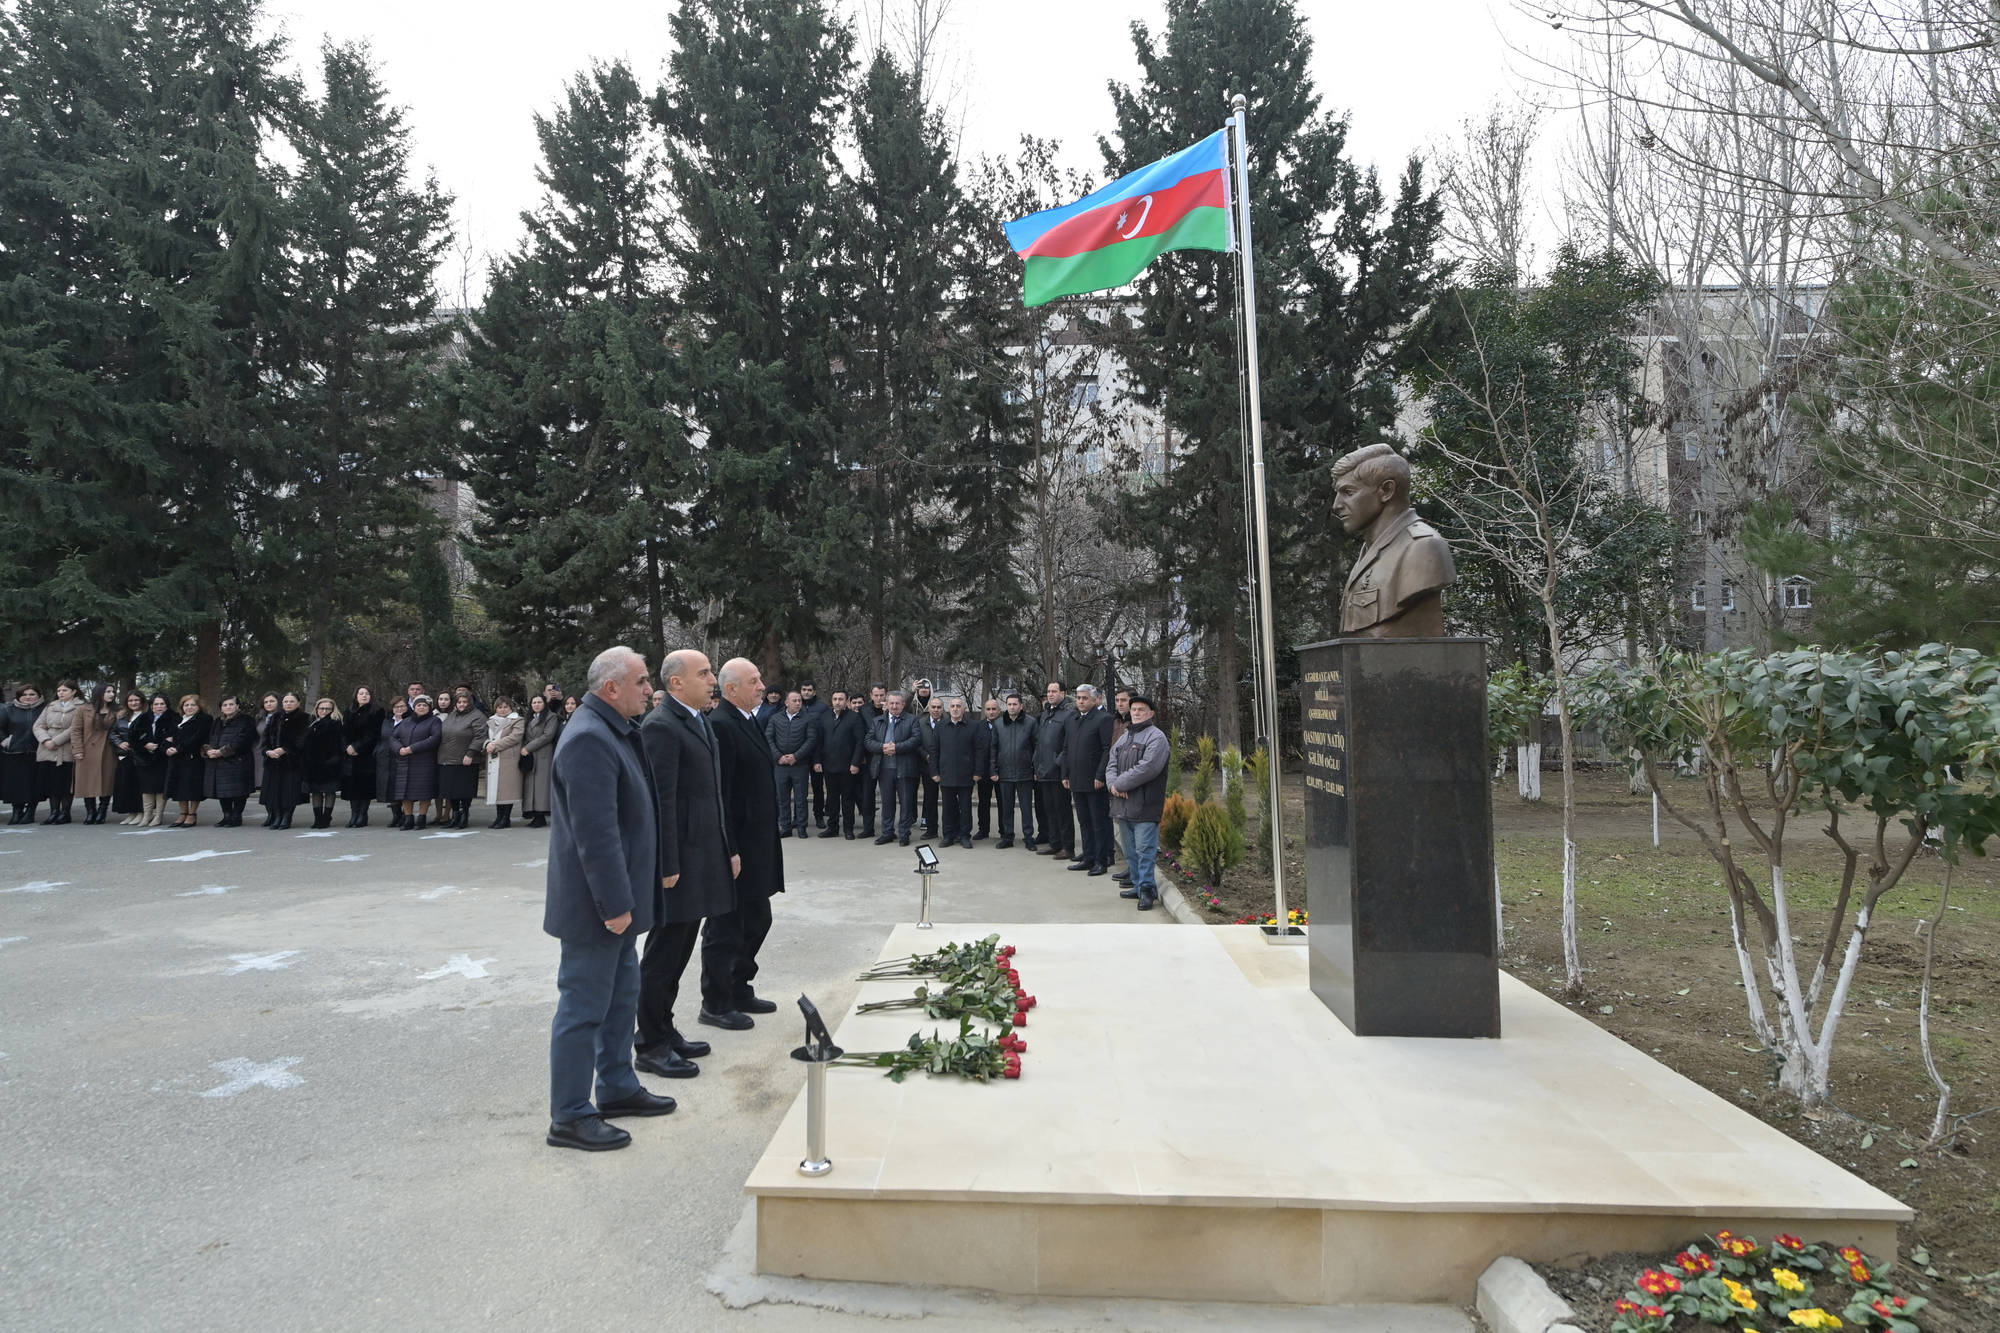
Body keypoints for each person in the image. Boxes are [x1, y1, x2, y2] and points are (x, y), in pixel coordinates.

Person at [542, 645, 675, 1151]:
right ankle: (570, 1115)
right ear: (611, 687)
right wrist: (616, 905)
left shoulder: (614, 729)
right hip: (596, 908)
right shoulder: (588, 739)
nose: (649, 689)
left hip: (619, 903)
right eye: (641, 681)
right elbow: (595, 836)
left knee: (620, 999)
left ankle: (617, 1086)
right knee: (583, 1008)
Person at [635, 649, 737, 1081]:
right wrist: (667, 863)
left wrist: (727, 847)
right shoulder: (661, 725)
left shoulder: (697, 719)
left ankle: (665, 1028)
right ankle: (650, 1043)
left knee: (680, 949)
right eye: (704, 673)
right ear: (676, 682)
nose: (712, 680)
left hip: (702, 854)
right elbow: (661, 801)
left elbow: (710, 795)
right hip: (679, 861)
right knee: (664, 953)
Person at [707, 657, 785, 1030]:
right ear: (731, 689)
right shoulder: (721, 724)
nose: (762, 685)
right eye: (753, 680)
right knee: (726, 926)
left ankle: (739, 987)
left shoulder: (747, 719)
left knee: (757, 918)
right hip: (738, 844)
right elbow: (721, 794)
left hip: (758, 841)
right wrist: (730, 848)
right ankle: (715, 1002)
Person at [1105, 694, 1170, 910]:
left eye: (1141, 710)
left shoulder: (1157, 737)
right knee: (1131, 851)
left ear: (1151, 714)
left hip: (1145, 806)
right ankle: (1137, 885)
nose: (1136, 713)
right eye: (1134, 709)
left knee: (1144, 851)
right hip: (1123, 806)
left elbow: (1148, 767)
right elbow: (1111, 762)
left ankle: (1147, 890)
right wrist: (1113, 785)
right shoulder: (1125, 736)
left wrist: (1120, 784)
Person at [1064, 684, 1114, 877]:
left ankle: (1101, 861)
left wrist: (1100, 775)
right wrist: (1065, 774)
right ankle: (1088, 857)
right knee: (1084, 821)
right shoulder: (1073, 719)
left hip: (1094, 781)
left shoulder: (1103, 719)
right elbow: (1066, 748)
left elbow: (1107, 749)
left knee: (1098, 822)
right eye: (1078, 698)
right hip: (1076, 779)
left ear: (1094, 700)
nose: (1081, 701)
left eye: (1085, 698)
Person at [865, 689, 922, 845]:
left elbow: (916, 739)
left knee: (906, 803)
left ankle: (904, 834)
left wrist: (896, 747)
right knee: (887, 803)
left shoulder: (912, 720)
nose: (894, 706)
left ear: (903, 704)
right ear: (887, 704)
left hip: (905, 768)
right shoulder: (877, 721)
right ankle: (887, 833)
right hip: (884, 769)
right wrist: (882, 747)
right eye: (891, 703)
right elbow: (868, 741)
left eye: (897, 703)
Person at [764, 689, 817, 839]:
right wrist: (778, 757)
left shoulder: (808, 719)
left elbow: (811, 740)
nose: (798, 703)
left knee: (801, 799)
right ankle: (785, 827)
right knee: (782, 799)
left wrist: (796, 756)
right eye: (794, 700)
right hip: (780, 766)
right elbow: (769, 738)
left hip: (799, 765)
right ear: (786, 702)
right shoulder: (775, 718)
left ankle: (801, 827)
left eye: (799, 700)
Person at [32, 680, 83, 824]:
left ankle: (65, 812)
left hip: (67, 746)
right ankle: (54, 811)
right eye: (59, 690)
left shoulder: (81, 707)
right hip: (48, 748)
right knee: (51, 782)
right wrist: (46, 740)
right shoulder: (51, 706)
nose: (61, 693)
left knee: (65, 782)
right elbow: (38, 726)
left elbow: (76, 727)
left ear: (74, 691)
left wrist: (56, 741)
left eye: (64, 690)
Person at [1032, 681, 1073, 860]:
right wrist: (1037, 764)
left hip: (1058, 772)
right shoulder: (1045, 714)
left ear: (1063, 693)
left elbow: (1068, 744)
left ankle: (1067, 847)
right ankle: (1054, 843)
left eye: (1054, 691)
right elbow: (1040, 743)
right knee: (1049, 810)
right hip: (1043, 771)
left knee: (1062, 811)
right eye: (1048, 691)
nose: (1050, 694)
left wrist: (1057, 763)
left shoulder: (1068, 714)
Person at [815, 690, 864, 839]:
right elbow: (819, 741)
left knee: (847, 798)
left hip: (848, 766)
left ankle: (848, 829)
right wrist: (817, 761)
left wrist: (855, 763)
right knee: (832, 798)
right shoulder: (824, 717)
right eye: (835, 699)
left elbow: (859, 742)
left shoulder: (854, 718)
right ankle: (832, 827)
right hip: (828, 764)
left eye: (841, 699)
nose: (837, 702)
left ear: (846, 701)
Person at [201, 696, 257, 826]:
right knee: (223, 791)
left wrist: (222, 752)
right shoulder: (217, 722)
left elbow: (243, 739)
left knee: (239, 791)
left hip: (239, 761)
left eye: (231, 704)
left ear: (237, 706)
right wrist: (208, 750)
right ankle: (226, 816)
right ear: (221, 708)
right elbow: (208, 738)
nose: (228, 707)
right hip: (218, 762)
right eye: (225, 705)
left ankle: (236, 816)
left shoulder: (246, 720)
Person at [932, 696, 979, 849]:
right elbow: (934, 751)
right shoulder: (940, 727)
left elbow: (979, 751)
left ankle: (964, 836)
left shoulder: (973, 726)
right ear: (948, 709)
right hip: (946, 774)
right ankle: (948, 836)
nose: (955, 709)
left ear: (963, 709)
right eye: (952, 706)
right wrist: (934, 771)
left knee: (965, 808)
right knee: (948, 808)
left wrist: (977, 772)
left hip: (967, 775)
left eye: (958, 706)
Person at [992, 691, 1037, 850]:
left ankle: (1028, 837)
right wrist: (993, 770)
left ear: (1021, 706)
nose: (1011, 707)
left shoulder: (1031, 723)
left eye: (1014, 704)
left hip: (1025, 773)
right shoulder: (998, 724)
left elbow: (1036, 747)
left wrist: (1035, 769)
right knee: (1006, 808)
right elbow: (994, 748)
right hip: (1005, 773)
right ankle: (1007, 837)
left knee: (1026, 808)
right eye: (1009, 704)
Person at [436, 687, 485, 830]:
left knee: (463, 791)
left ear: (470, 702)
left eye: (464, 702)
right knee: (450, 791)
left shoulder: (477, 716)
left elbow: (480, 736)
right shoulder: (452, 715)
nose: (462, 704)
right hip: (447, 759)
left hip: (465, 759)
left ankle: (464, 816)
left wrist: (470, 753)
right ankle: (455, 815)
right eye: (459, 702)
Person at [390, 694, 441, 829]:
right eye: (419, 705)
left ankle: (422, 818)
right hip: (405, 762)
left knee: (424, 792)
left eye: (424, 705)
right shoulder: (406, 721)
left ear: (429, 707)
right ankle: (408, 818)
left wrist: (412, 748)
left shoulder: (434, 721)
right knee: (405, 792)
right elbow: (393, 738)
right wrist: (399, 749)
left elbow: (435, 738)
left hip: (425, 762)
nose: (421, 707)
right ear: (414, 707)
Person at [258, 693, 307, 829]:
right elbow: (266, 739)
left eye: (292, 701)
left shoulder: (304, 718)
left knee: (289, 792)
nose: (288, 704)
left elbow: (302, 739)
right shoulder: (275, 717)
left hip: (292, 762)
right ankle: (277, 816)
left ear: (298, 703)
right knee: (274, 791)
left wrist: (285, 749)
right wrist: (267, 751)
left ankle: (287, 817)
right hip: (273, 761)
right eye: (286, 701)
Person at [163, 694, 212, 828]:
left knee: (192, 787)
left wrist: (178, 748)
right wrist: (167, 748)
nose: (189, 707)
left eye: (192, 705)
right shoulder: (178, 719)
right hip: (176, 758)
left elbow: (196, 738)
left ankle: (192, 814)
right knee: (179, 787)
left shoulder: (204, 719)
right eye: (186, 705)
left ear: (199, 706)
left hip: (193, 758)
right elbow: (168, 737)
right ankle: (183, 813)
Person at [1, 683, 47, 824]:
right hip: (15, 752)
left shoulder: (45, 709)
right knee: (16, 785)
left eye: (32, 694)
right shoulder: (9, 709)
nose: (28, 697)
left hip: (37, 752)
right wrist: (5, 741)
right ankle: (17, 812)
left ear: (39, 696)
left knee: (34, 784)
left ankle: (30, 812)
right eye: (24, 695)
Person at [74, 684, 119, 824]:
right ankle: (90, 811)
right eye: (108, 691)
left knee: (107, 781)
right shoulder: (83, 709)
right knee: (87, 782)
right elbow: (76, 730)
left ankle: (102, 811)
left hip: (108, 750)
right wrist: (78, 750)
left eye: (113, 691)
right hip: (87, 750)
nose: (111, 694)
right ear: (99, 693)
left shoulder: (117, 710)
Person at [341, 686, 384, 827]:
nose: (364, 696)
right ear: (356, 696)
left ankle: (362, 814)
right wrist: (347, 746)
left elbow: (373, 734)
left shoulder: (377, 711)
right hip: (350, 755)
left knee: (364, 786)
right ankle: (354, 814)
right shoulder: (349, 711)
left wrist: (357, 747)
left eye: (367, 693)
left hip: (366, 754)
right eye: (361, 693)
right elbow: (344, 732)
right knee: (352, 786)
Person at [129, 694, 172, 827]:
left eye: (162, 704)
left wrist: (162, 745)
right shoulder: (143, 718)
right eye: (156, 704)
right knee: (146, 787)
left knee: (160, 787)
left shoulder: (173, 718)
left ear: (167, 705)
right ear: (151, 706)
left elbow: (174, 737)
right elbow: (133, 737)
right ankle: (147, 815)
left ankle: (158, 816)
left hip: (162, 757)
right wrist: (145, 744)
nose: (159, 707)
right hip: (145, 758)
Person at [301, 698, 345, 829]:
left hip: (331, 762)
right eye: (322, 708)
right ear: (317, 709)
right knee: (316, 791)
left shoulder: (337, 724)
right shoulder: (311, 723)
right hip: (313, 763)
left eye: (328, 709)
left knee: (329, 791)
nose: (324, 711)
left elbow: (339, 744)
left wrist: (334, 760)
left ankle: (326, 817)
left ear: (333, 710)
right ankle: (317, 818)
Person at [483, 697, 525, 829]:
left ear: (511, 708)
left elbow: (515, 737)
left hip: (508, 760)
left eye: (505, 707)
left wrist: (495, 745)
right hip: (493, 759)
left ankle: (505, 818)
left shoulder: (517, 720)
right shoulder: (490, 721)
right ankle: (499, 817)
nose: (502, 710)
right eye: (499, 707)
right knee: (496, 790)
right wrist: (487, 744)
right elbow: (484, 736)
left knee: (507, 790)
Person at [851, 684, 886, 838]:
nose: (879, 698)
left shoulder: (891, 708)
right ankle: (868, 828)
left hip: (888, 756)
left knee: (888, 795)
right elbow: (860, 735)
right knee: (867, 795)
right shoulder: (863, 710)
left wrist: (886, 713)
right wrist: (860, 757)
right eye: (876, 695)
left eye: (882, 695)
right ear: (871, 695)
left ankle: (888, 829)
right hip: (869, 757)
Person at [519, 694, 558, 828]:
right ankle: (533, 814)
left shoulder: (551, 717)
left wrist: (528, 747)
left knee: (541, 787)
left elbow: (547, 735)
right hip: (530, 756)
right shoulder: (529, 717)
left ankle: (541, 815)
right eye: (534, 702)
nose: (536, 705)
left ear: (544, 703)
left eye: (539, 702)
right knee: (531, 786)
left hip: (543, 754)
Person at [798, 682, 831, 828]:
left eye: (809, 690)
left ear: (814, 692)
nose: (806, 692)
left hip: (817, 752)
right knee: (799, 787)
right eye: (804, 690)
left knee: (818, 787)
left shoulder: (822, 708)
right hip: (799, 752)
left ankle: (819, 815)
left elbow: (826, 729)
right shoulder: (796, 705)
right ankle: (798, 817)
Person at [111, 690, 146, 824]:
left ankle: (141, 813)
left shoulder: (147, 716)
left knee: (139, 786)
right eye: (130, 701)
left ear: (142, 701)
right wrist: (119, 743)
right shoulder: (122, 717)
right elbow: (113, 733)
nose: (133, 703)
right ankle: (131, 813)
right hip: (125, 756)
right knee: (126, 785)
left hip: (140, 756)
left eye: (136, 700)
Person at [376, 696, 408, 829]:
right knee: (390, 787)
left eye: (402, 706)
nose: (399, 709)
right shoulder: (387, 721)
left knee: (402, 787)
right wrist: (378, 751)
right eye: (396, 707)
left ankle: (406, 815)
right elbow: (380, 737)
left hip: (403, 757)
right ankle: (396, 815)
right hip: (386, 757)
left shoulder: (410, 721)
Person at [973, 696, 1001, 840]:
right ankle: (983, 830)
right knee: (983, 802)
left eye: (994, 709)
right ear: (984, 711)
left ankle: (1005, 831)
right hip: (983, 771)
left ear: (999, 710)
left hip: (1001, 771)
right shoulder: (978, 727)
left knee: (1003, 803)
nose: (991, 712)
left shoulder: (1005, 725)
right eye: (988, 709)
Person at [918, 696, 944, 835]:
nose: (936, 710)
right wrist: (925, 755)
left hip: (945, 766)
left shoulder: (948, 722)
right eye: (933, 707)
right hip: (927, 766)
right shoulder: (920, 723)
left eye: (939, 707)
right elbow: (917, 742)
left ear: (943, 709)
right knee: (930, 797)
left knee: (949, 798)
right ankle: (931, 828)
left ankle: (950, 829)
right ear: (929, 708)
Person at [250, 693, 280, 796]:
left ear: (278, 702)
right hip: (259, 754)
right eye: (266, 702)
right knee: (263, 787)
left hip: (276, 753)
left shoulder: (283, 717)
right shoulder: (259, 718)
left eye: (272, 701)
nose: (268, 704)